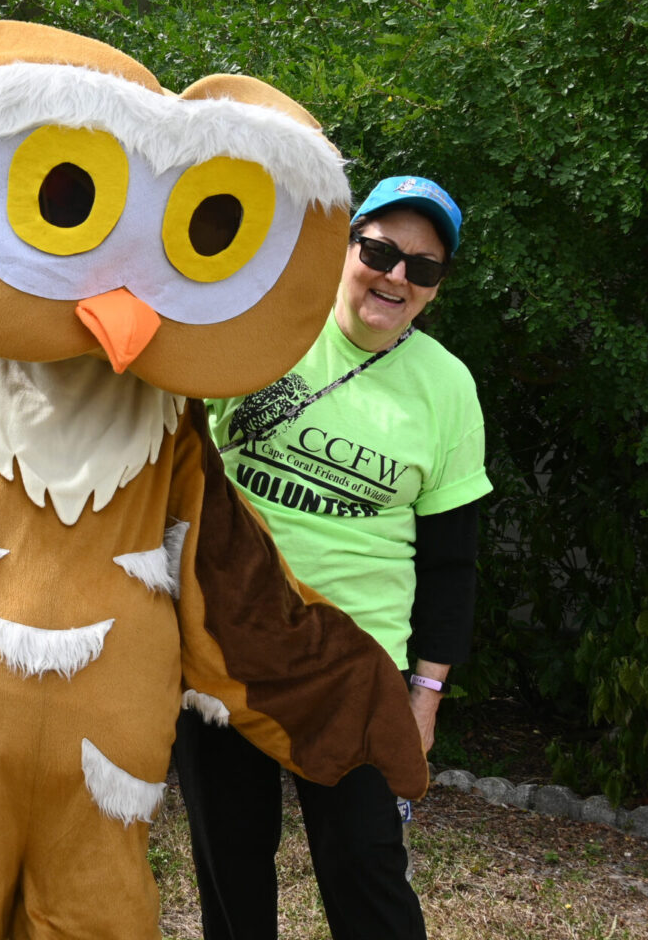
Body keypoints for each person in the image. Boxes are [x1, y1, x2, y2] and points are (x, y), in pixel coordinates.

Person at [174, 175, 492, 940]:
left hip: (356, 668)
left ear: (437, 288)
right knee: (233, 869)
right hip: (225, 647)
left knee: (366, 873)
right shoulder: (265, 323)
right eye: (380, 251)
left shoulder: (447, 389)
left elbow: (454, 565)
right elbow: (172, 441)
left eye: (424, 267)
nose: (396, 277)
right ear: (346, 246)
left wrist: (424, 699)